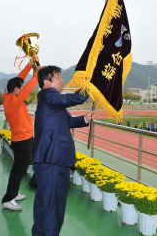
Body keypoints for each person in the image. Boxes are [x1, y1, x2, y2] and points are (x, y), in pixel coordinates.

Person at [32, 66, 95, 236]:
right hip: (52, 159)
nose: (62, 80)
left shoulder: (52, 102)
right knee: (54, 204)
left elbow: (69, 121)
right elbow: (75, 98)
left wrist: (84, 119)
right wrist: (91, 85)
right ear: (47, 82)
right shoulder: (49, 95)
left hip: (52, 159)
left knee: (45, 203)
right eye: (58, 76)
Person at [1, 57, 39, 211]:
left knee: (20, 169)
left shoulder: (11, 97)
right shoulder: (13, 101)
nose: (22, 88)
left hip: (25, 138)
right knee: (19, 170)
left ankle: (14, 193)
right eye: (20, 87)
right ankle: (8, 199)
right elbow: (26, 88)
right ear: (16, 89)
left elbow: (20, 80)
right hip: (22, 140)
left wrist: (30, 66)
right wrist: (37, 74)